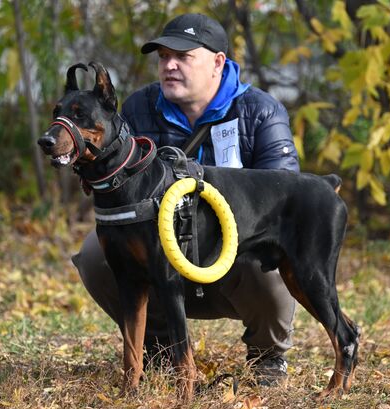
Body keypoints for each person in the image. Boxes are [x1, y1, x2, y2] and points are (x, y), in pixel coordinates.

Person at [72, 13, 299, 385]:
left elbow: (284, 199)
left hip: (233, 257)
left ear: (217, 62)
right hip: (163, 259)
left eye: (182, 56)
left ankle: (267, 357)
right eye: (162, 57)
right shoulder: (137, 109)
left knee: (269, 256)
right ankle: (161, 349)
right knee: (97, 253)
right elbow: (115, 188)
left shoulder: (261, 112)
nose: (169, 66)